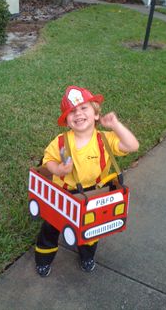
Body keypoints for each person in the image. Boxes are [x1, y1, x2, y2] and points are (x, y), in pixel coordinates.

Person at [35, 85, 139, 277]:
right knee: (51, 228)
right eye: (72, 111)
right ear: (67, 121)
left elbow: (132, 145)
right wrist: (58, 169)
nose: (78, 114)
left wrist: (116, 125)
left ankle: (87, 255)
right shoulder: (61, 142)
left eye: (84, 108)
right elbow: (48, 161)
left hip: (93, 194)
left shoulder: (105, 139)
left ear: (96, 114)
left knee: (91, 229)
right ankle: (44, 258)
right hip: (64, 194)